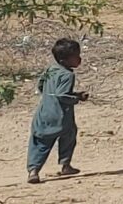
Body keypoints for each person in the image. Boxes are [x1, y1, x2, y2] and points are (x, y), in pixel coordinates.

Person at [26, 37, 91, 184]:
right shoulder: (68, 75)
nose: (80, 59)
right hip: (61, 116)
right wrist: (77, 98)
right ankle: (65, 164)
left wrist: (48, 98)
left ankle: (33, 171)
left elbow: (41, 85)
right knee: (69, 135)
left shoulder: (51, 69)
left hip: (43, 114)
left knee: (40, 142)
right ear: (65, 60)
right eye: (76, 56)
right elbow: (62, 95)